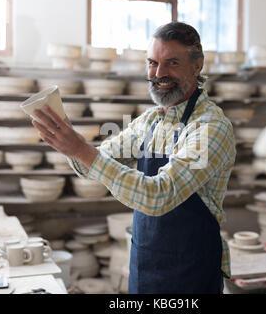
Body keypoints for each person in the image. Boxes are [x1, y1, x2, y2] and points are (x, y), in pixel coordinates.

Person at [32, 21, 236, 294]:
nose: (159, 73)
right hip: (146, 266)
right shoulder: (150, 122)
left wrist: (81, 149)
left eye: (172, 63)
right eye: (152, 62)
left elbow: (159, 195)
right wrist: (67, 138)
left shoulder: (210, 128)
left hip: (191, 274)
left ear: (197, 65)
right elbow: (91, 166)